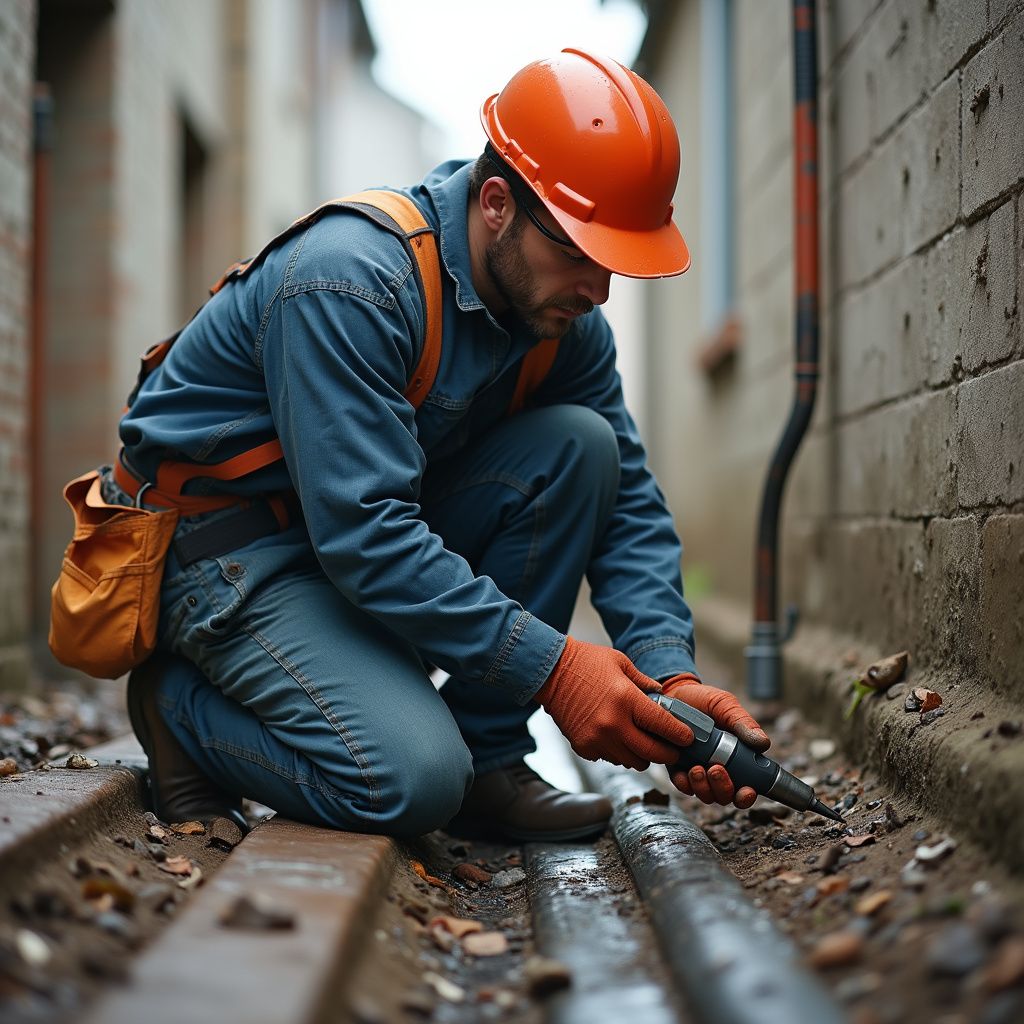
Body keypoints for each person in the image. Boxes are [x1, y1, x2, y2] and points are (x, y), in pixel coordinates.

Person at [108, 48, 770, 842]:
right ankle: (180, 712)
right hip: (226, 554)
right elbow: (365, 534)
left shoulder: (561, 320)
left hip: (343, 548)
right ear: (496, 202)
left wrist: (669, 673)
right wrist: (557, 670)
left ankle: (489, 760)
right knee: (413, 781)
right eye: (578, 255)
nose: (598, 293)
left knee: (581, 447)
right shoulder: (350, 281)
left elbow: (624, 496)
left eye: (613, 266)